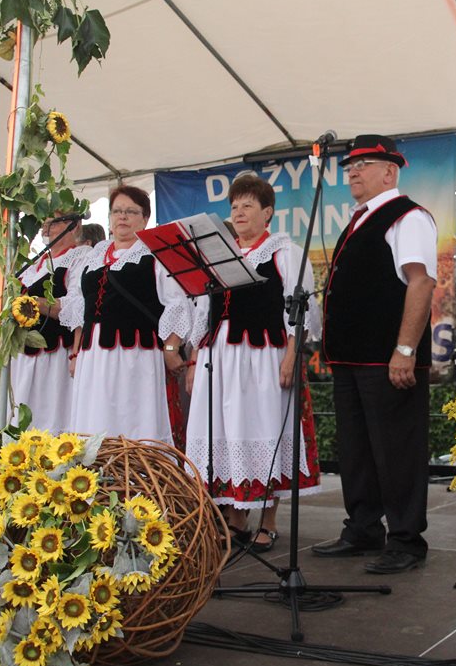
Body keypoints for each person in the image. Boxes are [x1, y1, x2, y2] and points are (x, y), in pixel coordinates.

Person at [312, 134, 437, 574]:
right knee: (357, 449)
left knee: (396, 448)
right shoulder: (360, 219)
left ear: (390, 171)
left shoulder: (408, 216)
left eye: (363, 164)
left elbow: (421, 283)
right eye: (349, 167)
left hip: (387, 357)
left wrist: (405, 349)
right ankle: (363, 527)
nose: (353, 173)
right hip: (352, 358)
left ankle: (406, 539)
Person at [185, 174, 321, 552]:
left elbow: (300, 310)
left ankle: (269, 521)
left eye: (247, 206)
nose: (239, 212)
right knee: (224, 434)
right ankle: (235, 518)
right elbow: (202, 310)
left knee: (264, 428)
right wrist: (195, 360)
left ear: (268, 213)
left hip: (262, 355)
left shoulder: (285, 252)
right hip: (219, 356)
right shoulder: (216, 254)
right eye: (234, 206)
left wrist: (292, 356)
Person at [60, 185, 189, 445]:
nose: (122, 217)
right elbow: (78, 306)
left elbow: (180, 302)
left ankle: (138, 477)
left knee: (133, 419)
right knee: (94, 419)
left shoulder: (155, 256)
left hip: (134, 355)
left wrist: (172, 346)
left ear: (145, 218)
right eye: (117, 211)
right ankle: (94, 477)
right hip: (93, 356)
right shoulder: (93, 255)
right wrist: (75, 352)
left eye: (131, 211)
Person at [10, 212, 91, 434]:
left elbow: (79, 304)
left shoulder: (81, 256)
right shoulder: (35, 263)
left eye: (53, 222)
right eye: (43, 222)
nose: (45, 228)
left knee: (51, 420)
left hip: (55, 355)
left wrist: (37, 303)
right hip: (23, 356)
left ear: (73, 226)